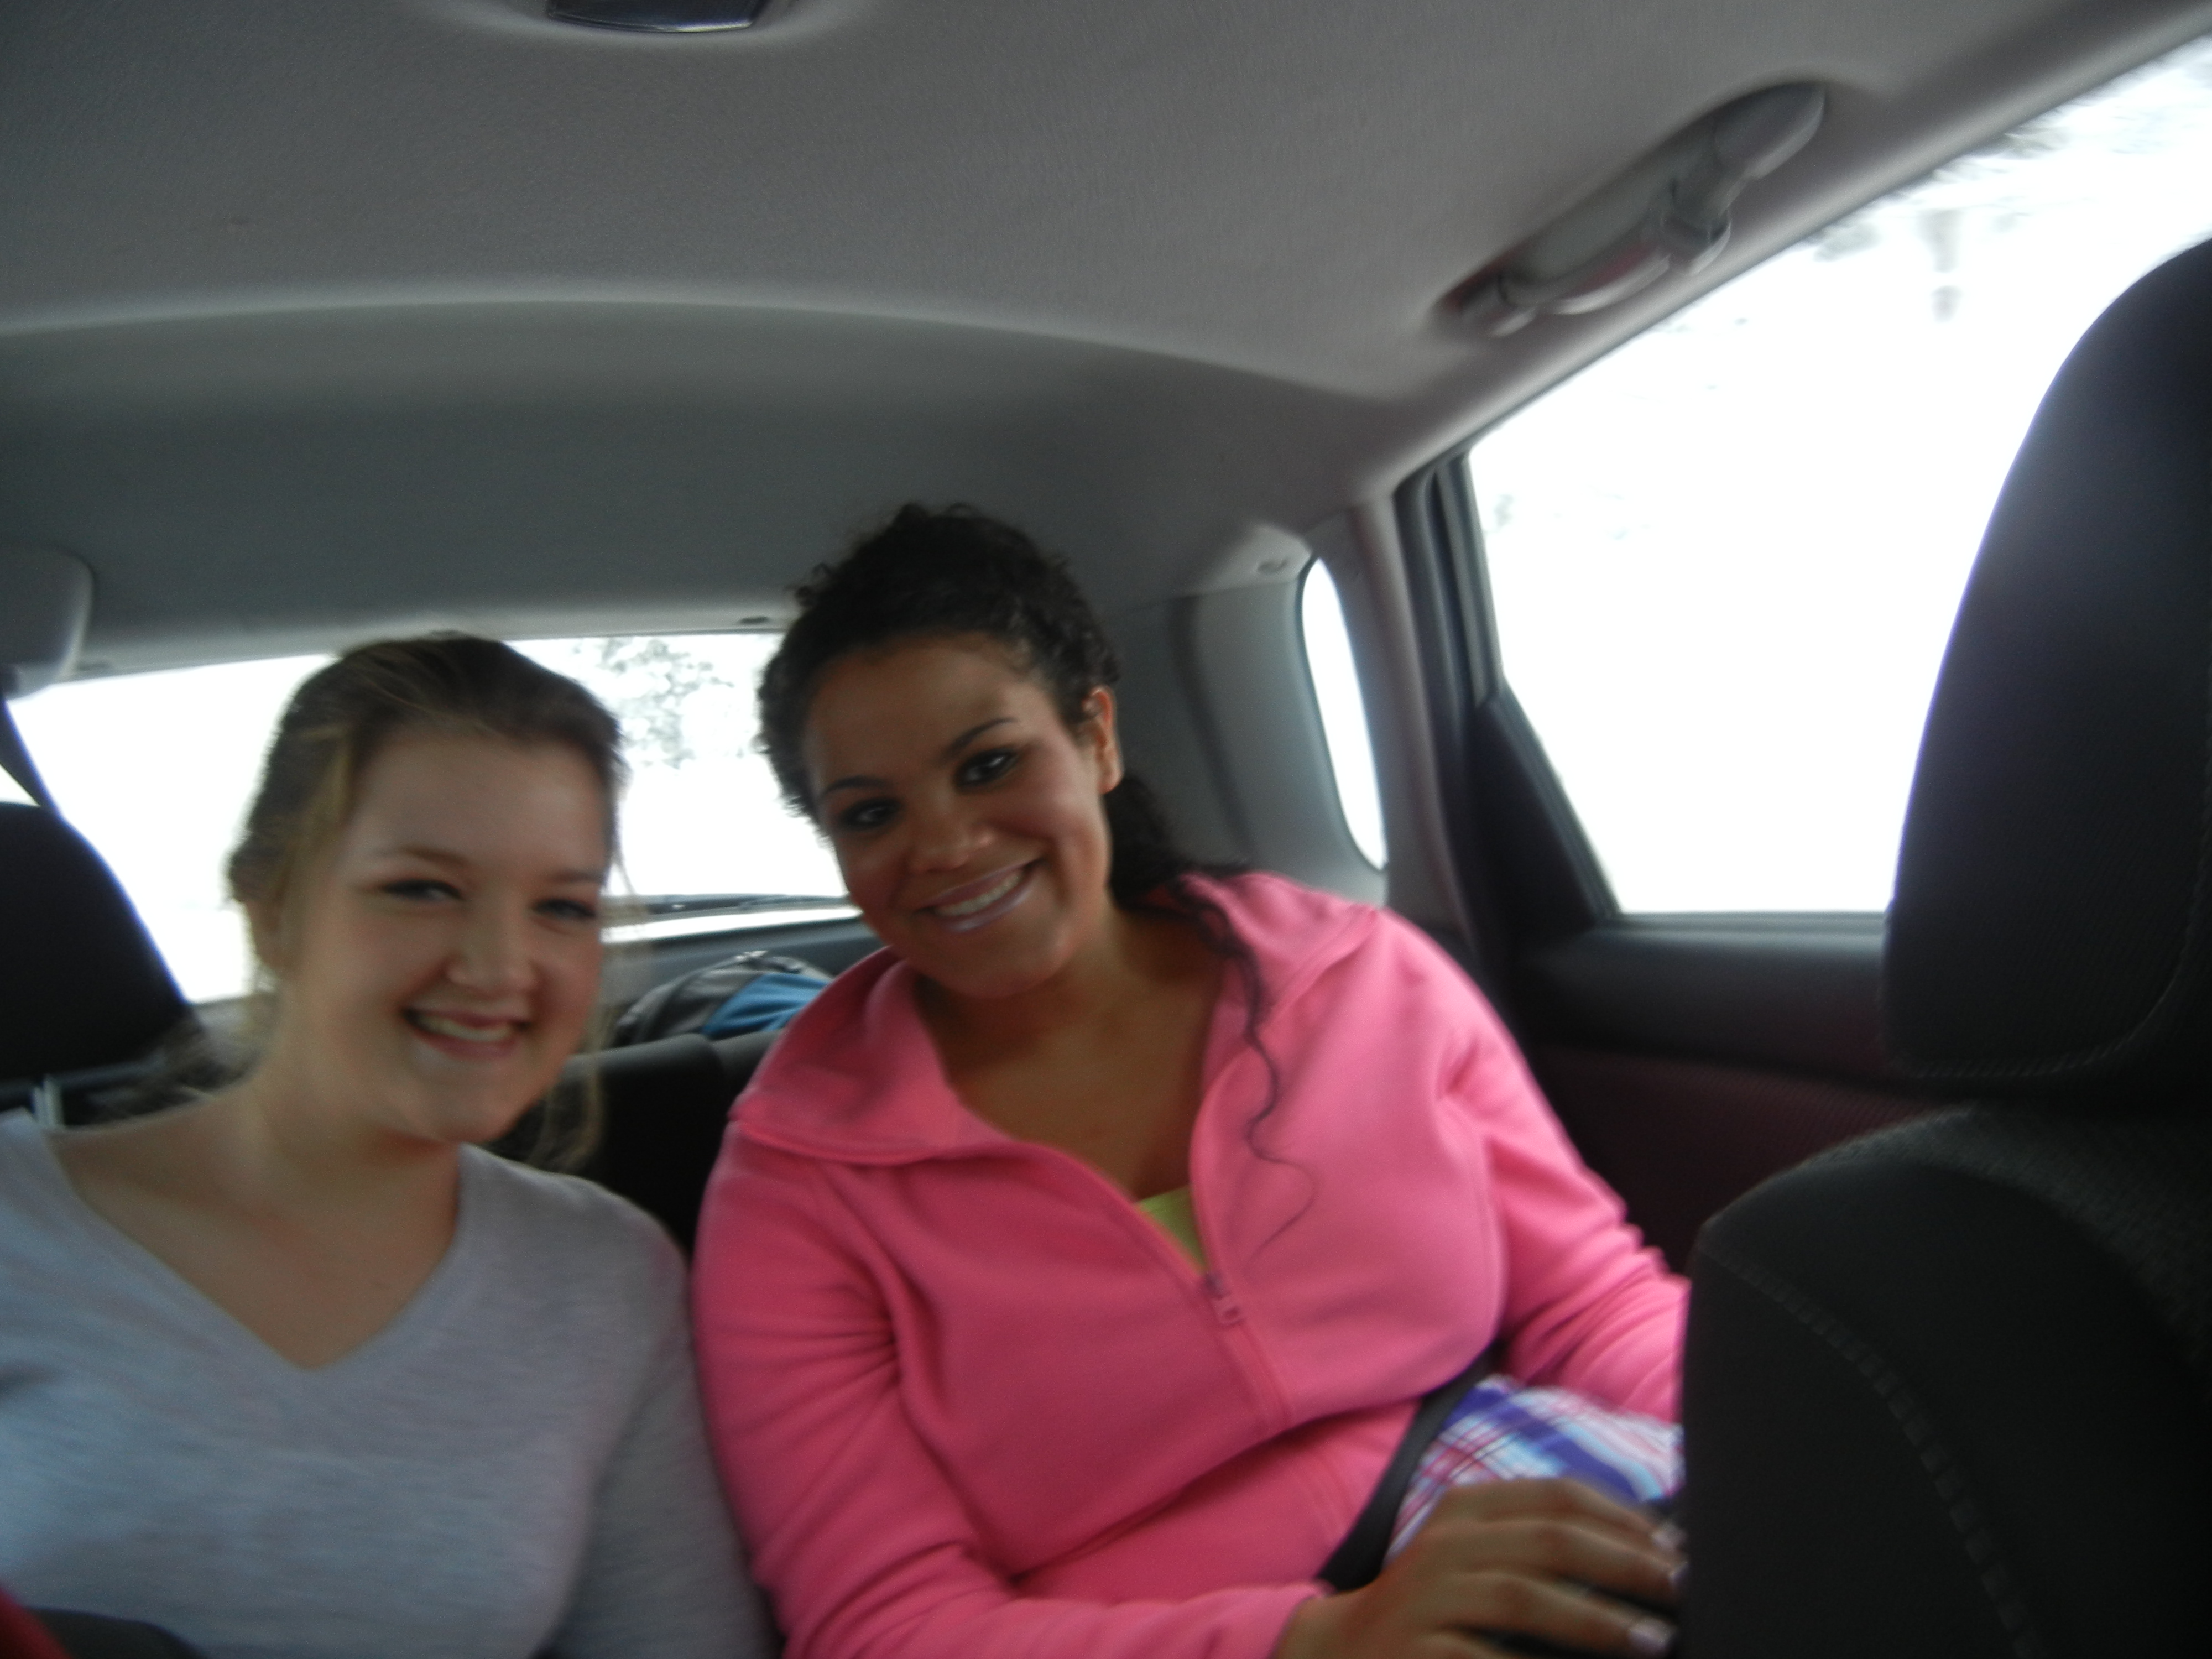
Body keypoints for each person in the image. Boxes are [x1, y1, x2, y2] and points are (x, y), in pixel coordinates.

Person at [691, 507, 1689, 1659]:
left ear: (1096, 739)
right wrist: (1312, 1641)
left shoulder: (1364, 978)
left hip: (1502, 1502)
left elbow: (1589, 1306)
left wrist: (1785, 1410)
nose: (948, 845)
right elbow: (882, 1622)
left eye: (990, 764)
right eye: (872, 813)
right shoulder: (796, 1184)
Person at [0, 637, 775, 1659]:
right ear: (273, 906)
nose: (499, 966)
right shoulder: (20, 1227)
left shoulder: (606, 1278)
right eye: (422, 889)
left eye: (561, 908)